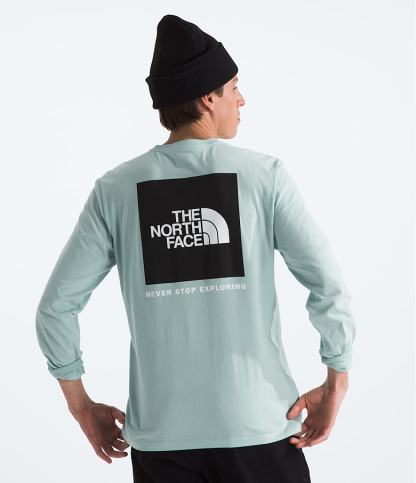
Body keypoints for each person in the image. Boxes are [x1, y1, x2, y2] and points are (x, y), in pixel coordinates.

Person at [35, 13, 356, 483]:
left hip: (163, 444)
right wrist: (336, 380)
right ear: (208, 97)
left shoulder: (115, 190)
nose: (241, 99)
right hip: (259, 431)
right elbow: (328, 286)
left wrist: (80, 407)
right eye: (234, 88)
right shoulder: (263, 177)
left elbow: (55, 309)